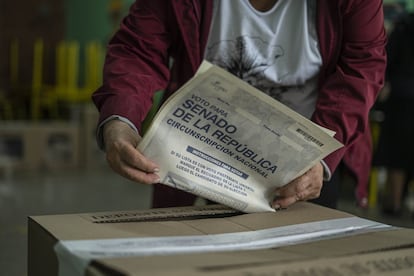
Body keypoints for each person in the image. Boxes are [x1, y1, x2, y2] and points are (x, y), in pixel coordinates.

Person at [92, 0, 387, 210]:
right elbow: (138, 48)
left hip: (304, 163)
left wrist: (319, 159)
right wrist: (120, 120)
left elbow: (362, 66)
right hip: (199, 154)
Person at [374, 12, 414, 215]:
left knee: (397, 153)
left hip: (401, 96)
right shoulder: (402, 26)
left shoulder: (402, 26)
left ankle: (394, 202)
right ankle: (397, 202)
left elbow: (386, 60)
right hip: (402, 97)